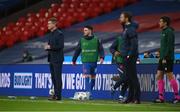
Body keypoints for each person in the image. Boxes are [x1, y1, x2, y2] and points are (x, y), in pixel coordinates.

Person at [72, 25, 104, 98]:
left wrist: (102, 57)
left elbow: (101, 49)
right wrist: (74, 60)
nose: (84, 32)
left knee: (93, 78)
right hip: (86, 61)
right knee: (87, 76)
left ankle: (90, 93)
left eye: (86, 30)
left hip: (94, 61)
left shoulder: (97, 39)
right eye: (84, 30)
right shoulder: (81, 40)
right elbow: (77, 50)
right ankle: (88, 93)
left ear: (90, 31)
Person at [154, 16, 180, 104]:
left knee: (170, 76)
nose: (159, 23)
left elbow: (169, 46)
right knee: (159, 75)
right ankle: (161, 97)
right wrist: (160, 56)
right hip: (162, 58)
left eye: (161, 21)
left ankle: (177, 96)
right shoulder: (163, 32)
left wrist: (164, 57)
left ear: (165, 23)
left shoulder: (169, 32)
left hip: (167, 58)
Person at [118, 12, 141, 104]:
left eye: (121, 17)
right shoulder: (126, 28)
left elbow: (134, 43)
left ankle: (137, 98)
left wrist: (130, 54)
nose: (119, 18)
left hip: (130, 56)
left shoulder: (130, 29)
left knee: (133, 77)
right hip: (126, 55)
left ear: (126, 18)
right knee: (129, 77)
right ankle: (130, 98)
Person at [44, 17, 64, 101]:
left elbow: (60, 46)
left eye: (49, 23)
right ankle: (55, 94)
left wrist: (50, 47)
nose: (47, 25)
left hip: (57, 59)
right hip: (51, 58)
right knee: (53, 78)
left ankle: (58, 95)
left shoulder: (59, 34)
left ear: (54, 24)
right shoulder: (50, 34)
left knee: (57, 77)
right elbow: (50, 46)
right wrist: (47, 47)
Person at [110, 35, 128, 101]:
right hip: (120, 61)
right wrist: (114, 52)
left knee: (127, 79)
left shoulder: (132, 39)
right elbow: (111, 48)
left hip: (129, 62)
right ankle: (114, 87)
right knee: (124, 77)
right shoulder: (119, 38)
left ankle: (121, 96)